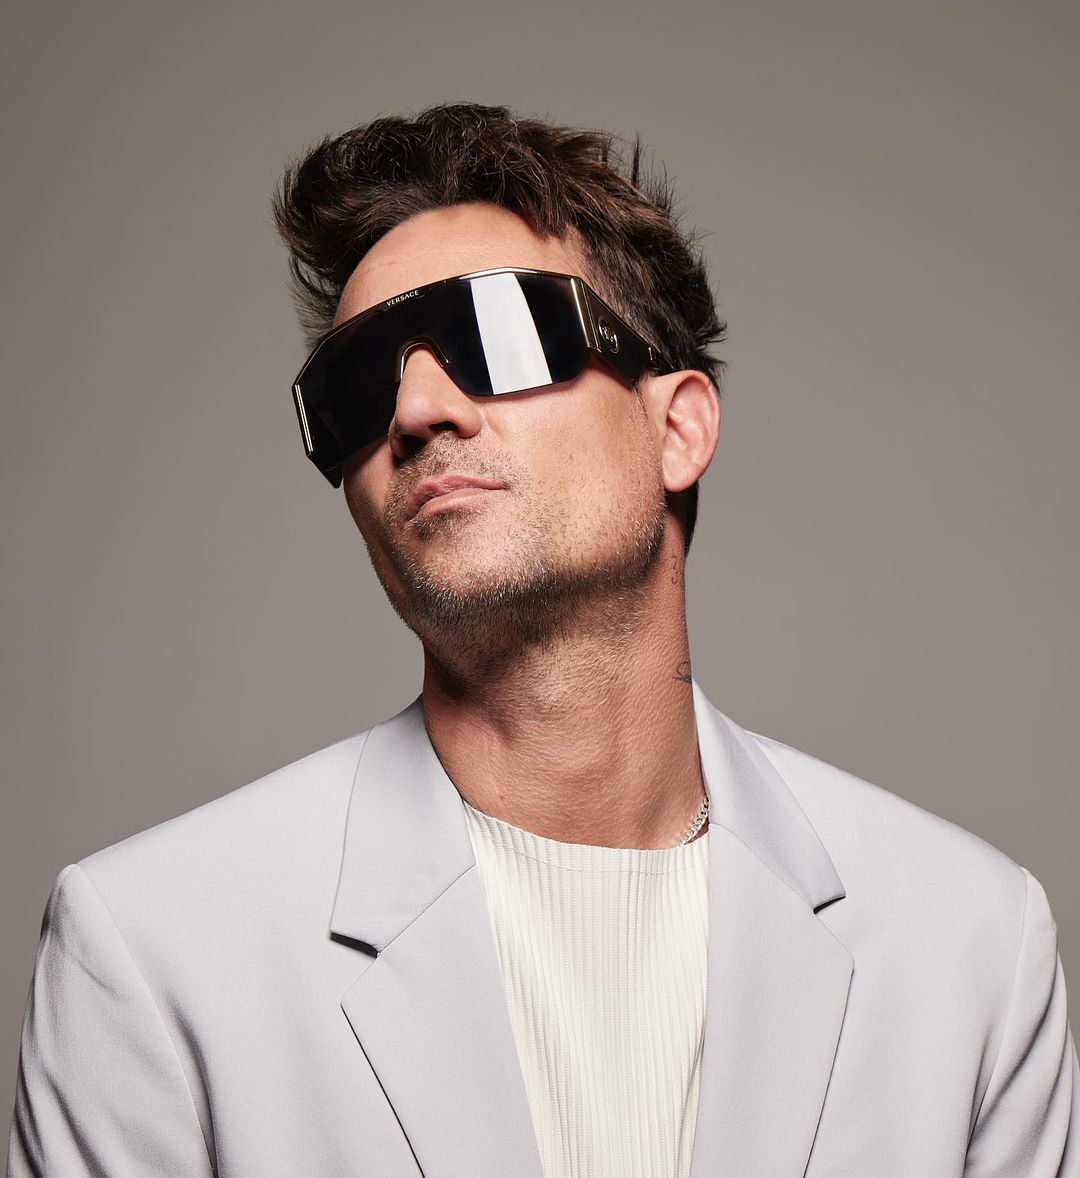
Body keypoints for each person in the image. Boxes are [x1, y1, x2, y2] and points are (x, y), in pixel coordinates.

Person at [7, 102, 1078, 1178]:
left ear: (677, 427)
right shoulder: (151, 951)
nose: (416, 410)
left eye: (497, 332)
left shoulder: (973, 945)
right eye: (356, 387)